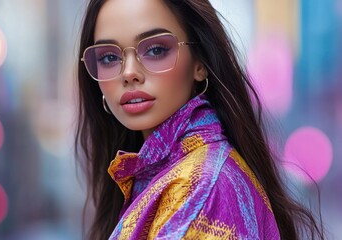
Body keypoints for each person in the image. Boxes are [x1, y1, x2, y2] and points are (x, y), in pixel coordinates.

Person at [75, 0, 324, 239]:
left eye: (155, 50)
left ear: (200, 62)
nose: (128, 73)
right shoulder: (162, 174)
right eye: (108, 57)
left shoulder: (199, 190)